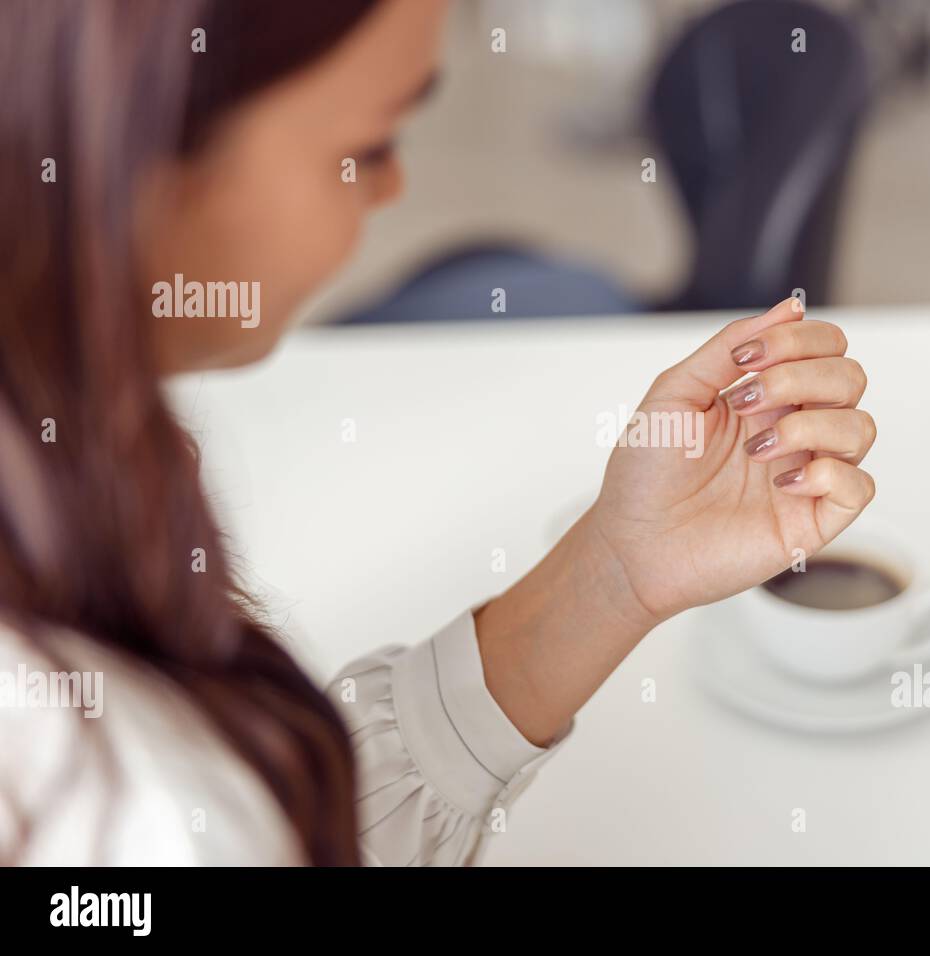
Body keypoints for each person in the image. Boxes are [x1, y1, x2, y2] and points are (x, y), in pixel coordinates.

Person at [0, 0, 876, 865]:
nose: (394, 187)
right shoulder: (124, 799)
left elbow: (301, 829)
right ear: (135, 160)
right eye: (368, 146)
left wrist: (619, 569)